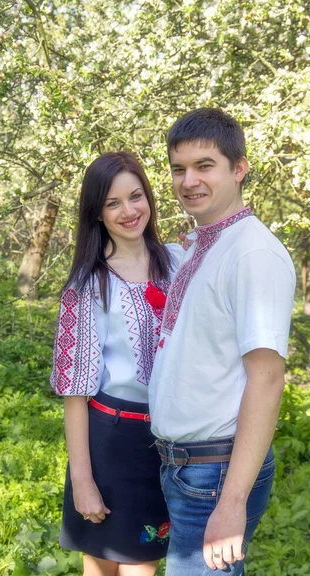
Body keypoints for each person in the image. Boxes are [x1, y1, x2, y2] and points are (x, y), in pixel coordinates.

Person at [148, 108, 296, 576]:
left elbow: (268, 380)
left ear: (239, 168)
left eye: (205, 165)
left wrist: (231, 503)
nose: (188, 180)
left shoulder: (252, 254)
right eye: (178, 168)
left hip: (215, 475)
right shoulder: (206, 242)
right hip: (184, 469)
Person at [50, 152, 183, 576]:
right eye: (113, 203)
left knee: (142, 562)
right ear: (97, 213)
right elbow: (76, 392)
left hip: (169, 438)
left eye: (136, 196)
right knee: (102, 563)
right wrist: (83, 481)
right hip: (110, 441)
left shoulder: (179, 263)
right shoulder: (88, 284)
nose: (129, 211)